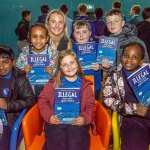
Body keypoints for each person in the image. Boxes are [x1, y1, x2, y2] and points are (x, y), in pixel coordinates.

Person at [38, 49, 95, 150]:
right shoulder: (53, 83)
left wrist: (84, 118)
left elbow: (90, 106)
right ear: (60, 68)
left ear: (77, 63)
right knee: (56, 140)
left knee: (76, 139)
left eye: (72, 62)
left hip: (77, 122)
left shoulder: (85, 85)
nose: (69, 67)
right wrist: (49, 116)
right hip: (57, 121)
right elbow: (43, 100)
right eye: (64, 65)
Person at [103, 42, 150, 150]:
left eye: (135, 57)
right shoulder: (116, 75)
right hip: (134, 120)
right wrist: (134, 109)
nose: (129, 60)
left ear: (141, 61)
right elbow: (107, 99)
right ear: (121, 57)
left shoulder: (147, 72)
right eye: (126, 56)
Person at [0, 45, 36, 150]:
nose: (1, 66)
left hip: (9, 121)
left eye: (5, 62)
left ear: (13, 62)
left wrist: (8, 105)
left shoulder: (20, 78)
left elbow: (30, 100)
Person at [73, 20, 110, 99]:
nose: (81, 35)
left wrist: (99, 67)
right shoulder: (71, 50)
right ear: (73, 35)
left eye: (84, 32)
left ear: (90, 33)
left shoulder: (97, 47)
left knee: (93, 108)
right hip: (77, 86)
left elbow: (106, 66)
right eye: (78, 32)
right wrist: (75, 68)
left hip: (95, 85)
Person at [16, 23, 54, 97]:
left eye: (42, 37)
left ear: (47, 38)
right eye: (34, 37)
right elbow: (16, 73)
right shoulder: (24, 55)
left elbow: (60, 74)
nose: (38, 40)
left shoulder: (53, 55)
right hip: (28, 94)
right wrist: (23, 71)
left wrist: (52, 72)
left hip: (48, 94)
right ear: (30, 38)